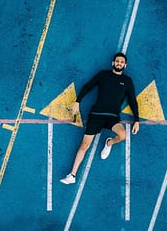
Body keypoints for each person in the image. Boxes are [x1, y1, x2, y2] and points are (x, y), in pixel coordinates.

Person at [60, 52, 140, 184]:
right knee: (84, 145)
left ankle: (109, 143)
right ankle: (72, 175)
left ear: (125, 65)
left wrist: (136, 120)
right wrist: (77, 101)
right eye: (117, 61)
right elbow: (88, 86)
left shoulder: (127, 81)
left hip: (112, 117)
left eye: (122, 62)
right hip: (96, 115)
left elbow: (132, 101)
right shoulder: (103, 75)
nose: (119, 63)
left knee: (123, 135)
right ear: (113, 63)